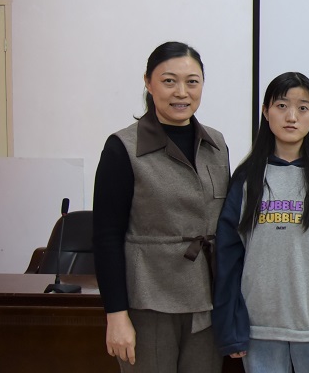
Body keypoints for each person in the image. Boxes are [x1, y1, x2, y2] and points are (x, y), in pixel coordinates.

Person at [212, 72, 309, 372]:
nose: (292, 117)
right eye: (281, 106)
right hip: (259, 327)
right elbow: (228, 257)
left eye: (302, 108)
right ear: (265, 111)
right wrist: (230, 326)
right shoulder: (246, 178)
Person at [91, 41, 228, 372]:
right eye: (169, 81)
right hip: (148, 301)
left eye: (192, 82)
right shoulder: (123, 147)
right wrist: (115, 315)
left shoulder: (216, 144)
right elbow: (106, 236)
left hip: (207, 302)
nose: (181, 92)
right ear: (148, 83)